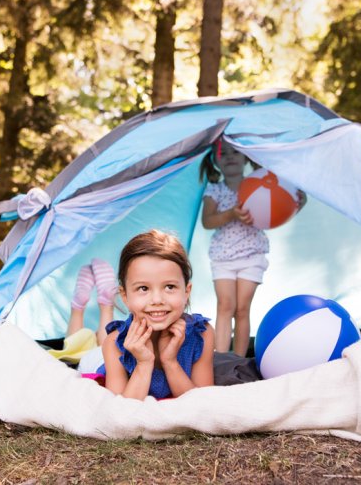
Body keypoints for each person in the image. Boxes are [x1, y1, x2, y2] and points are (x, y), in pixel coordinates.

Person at [101, 230, 215, 400]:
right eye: (143, 288)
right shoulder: (114, 344)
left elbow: (203, 405)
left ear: (186, 291)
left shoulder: (202, 334)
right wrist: (144, 364)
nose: (157, 300)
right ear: (125, 296)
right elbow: (120, 416)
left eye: (169, 287)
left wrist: (170, 362)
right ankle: (104, 304)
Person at [200, 139, 269, 356]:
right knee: (225, 306)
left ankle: (238, 360)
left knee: (242, 309)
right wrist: (231, 213)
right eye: (224, 153)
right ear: (216, 161)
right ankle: (221, 357)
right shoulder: (215, 190)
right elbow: (207, 221)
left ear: (246, 157)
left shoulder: (257, 186)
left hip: (252, 255)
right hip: (223, 257)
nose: (230, 157)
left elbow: (270, 213)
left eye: (235, 153)